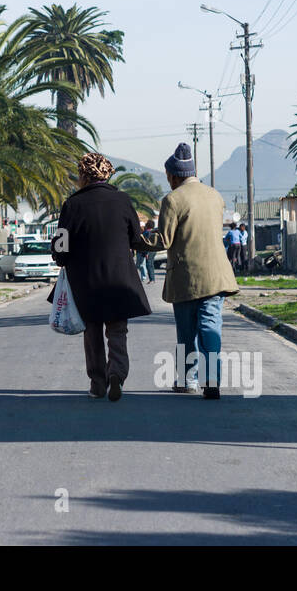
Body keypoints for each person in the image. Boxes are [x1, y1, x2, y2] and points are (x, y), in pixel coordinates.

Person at [136, 144, 238, 399]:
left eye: (169, 176)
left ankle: (187, 380)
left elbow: (164, 240)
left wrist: (137, 238)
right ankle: (212, 379)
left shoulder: (173, 199)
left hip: (186, 278)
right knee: (210, 328)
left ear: (175, 175)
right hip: (217, 276)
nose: (169, 180)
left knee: (187, 333)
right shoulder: (215, 195)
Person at [51, 152, 152, 401]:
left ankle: (98, 383)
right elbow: (136, 239)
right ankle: (117, 373)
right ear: (107, 173)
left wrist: (61, 260)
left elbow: (61, 245)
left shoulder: (72, 205)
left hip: (86, 281)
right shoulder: (122, 200)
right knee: (117, 330)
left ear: (83, 175)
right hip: (119, 279)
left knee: (92, 331)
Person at [136, 217, 158, 284]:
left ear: (147, 225)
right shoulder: (153, 231)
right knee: (151, 264)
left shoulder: (147, 233)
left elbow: (147, 243)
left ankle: (152, 279)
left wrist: (147, 253)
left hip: (149, 250)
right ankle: (152, 279)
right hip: (154, 250)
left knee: (149, 264)